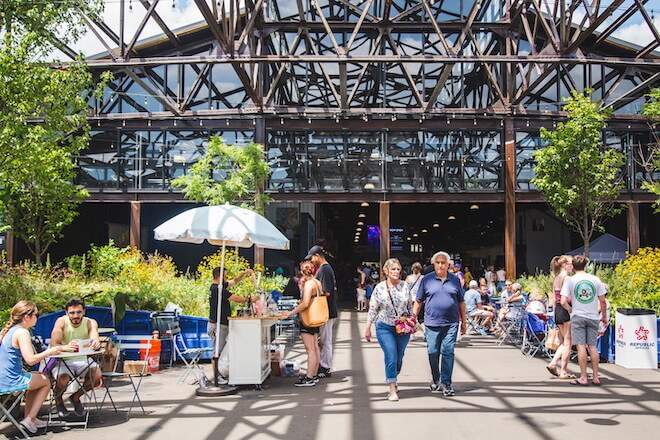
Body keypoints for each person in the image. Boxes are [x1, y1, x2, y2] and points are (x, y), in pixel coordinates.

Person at [0, 301, 74, 434]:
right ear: (27, 317)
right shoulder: (22, 332)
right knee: (45, 380)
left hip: (3, 378)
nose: (37, 317)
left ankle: (31, 418)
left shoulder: (10, 330)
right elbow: (30, 360)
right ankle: (29, 419)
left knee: (37, 377)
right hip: (10, 380)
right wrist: (51, 351)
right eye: (36, 314)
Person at [413, 251, 466, 397]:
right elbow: (418, 301)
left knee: (448, 351)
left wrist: (464, 322)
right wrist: (413, 319)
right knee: (433, 352)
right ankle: (436, 378)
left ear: (448, 264)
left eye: (444, 263)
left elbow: (461, 302)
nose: (441, 265)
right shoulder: (426, 280)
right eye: (438, 262)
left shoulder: (455, 280)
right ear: (434, 264)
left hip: (451, 323)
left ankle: (447, 383)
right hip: (431, 323)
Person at [364, 258, 413, 401]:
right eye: (393, 269)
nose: (396, 272)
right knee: (391, 355)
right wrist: (368, 327)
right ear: (386, 271)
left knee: (399, 357)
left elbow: (410, 306)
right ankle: (392, 388)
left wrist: (412, 320)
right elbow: (373, 308)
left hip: (402, 327)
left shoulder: (405, 286)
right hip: (384, 326)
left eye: (398, 269)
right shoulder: (379, 288)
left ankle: (394, 376)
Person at [560, 255, 607, 386]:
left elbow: (563, 301)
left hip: (578, 316)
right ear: (586, 266)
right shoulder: (595, 279)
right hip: (593, 316)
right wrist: (604, 316)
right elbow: (602, 301)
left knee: (581, 346)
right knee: (592, 346)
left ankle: (584, 377)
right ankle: (596, 377)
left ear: (573, 266)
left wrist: (571, 310)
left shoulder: (570, 280)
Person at [50, 298, 102, 417]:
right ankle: (59, 401)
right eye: (72, 313)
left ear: (84, 311)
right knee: (62, 379)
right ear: (66, 313)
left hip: (82, 359)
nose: (75, 315)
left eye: (78, 312)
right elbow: (54, 344)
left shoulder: (90, 322)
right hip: (63, 360)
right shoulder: (61, 322)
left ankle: (75, 397)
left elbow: (94, 337)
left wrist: (96, 343)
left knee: (97, 377)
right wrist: (65, 347)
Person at [285, 260, 325, 386]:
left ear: (302, 272)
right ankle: (314, 374)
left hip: (308, 318)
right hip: (316, 317)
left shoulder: (309, 285)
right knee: (315, 347)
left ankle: (309, 377)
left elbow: (306, 303)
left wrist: (291, 312)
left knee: (310, 349)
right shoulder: (317, 282)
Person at [208, 267, 256, 368]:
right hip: (218, 324)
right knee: (217, 352)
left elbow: (234, 281)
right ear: (219, 276)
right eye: (225, 276)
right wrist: (250, 299)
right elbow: (236, 298)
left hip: (220, 323)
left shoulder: (218, 286)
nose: (226, 278)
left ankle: (220, 373)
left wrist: (243, 273)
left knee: (219, 350)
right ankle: (217, 377)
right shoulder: (218, 289)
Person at [306, 245, 338, 379]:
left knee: (326, 340)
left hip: (326, 311)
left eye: (312, 258)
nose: (311, 261)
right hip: (327, 311)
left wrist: (312, 296)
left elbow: (327, 292)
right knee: (324, 340)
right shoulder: (325, 268)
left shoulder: (325, 270)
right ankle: (324, 365)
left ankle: (325, 367)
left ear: (318, 256)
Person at [546, 255, 575, 380]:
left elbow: (553, 298)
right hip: (565, 309)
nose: (572, 266)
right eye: (570, 263)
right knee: (568, 343)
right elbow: (566, 299)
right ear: (564, 265)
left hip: (557, 310)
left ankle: (553, 363)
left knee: (564, 342)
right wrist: (571, 309)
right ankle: (563, 371)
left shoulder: (556, 278)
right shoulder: (567, 278)